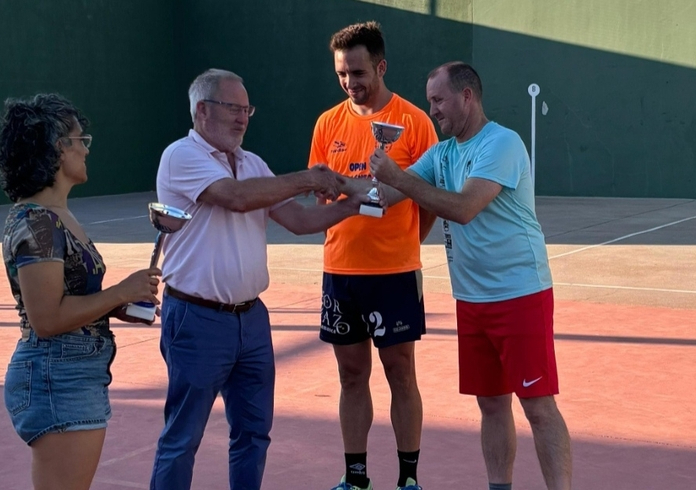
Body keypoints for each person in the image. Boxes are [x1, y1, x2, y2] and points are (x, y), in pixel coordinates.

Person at [149, 68, 370, 490]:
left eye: (246, 109)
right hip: (197, 320)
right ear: (202, 110)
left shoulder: (252, 163)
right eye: (233, 108)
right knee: (183, 437)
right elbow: (235, 198)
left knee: (253, 434)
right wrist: (309, 177)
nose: (242, 118)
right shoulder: (181, 155)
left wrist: (358, 205)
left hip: (251, 321)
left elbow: (301, 219)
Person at [369, 62, 573, 490]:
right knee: (491, 404)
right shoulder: (443, 153)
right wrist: (329, 183)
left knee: (537, 405)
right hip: (472, 300)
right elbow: (386, 193)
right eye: (429, 102)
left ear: (467, 97)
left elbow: (462, 208)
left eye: (438, 100)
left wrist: (398, 178)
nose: (433, 110)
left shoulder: (502, 144)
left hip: (519, 295)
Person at [0, 94, 162, 490]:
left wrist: (117, 303)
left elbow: (67, 300)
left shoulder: (54, 217)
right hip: (58, 376)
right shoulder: (38, 223)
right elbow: (48, 319)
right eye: (78, 139)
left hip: (72, 373)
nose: (85, 148)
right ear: (55, 149)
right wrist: (119, 290)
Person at [308, 21, 438, 490]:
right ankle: (356, 477)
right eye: (342, 73)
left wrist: (405, 247)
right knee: (350, 376)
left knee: (400, 373)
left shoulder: (415, 123)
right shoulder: (327, 123)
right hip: (341, 271)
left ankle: (408, 479)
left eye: (358, 72)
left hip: (395, 273)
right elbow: (322, 196)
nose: (350, 82)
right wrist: (350, 192)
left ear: (381, 67)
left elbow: (428, 199)